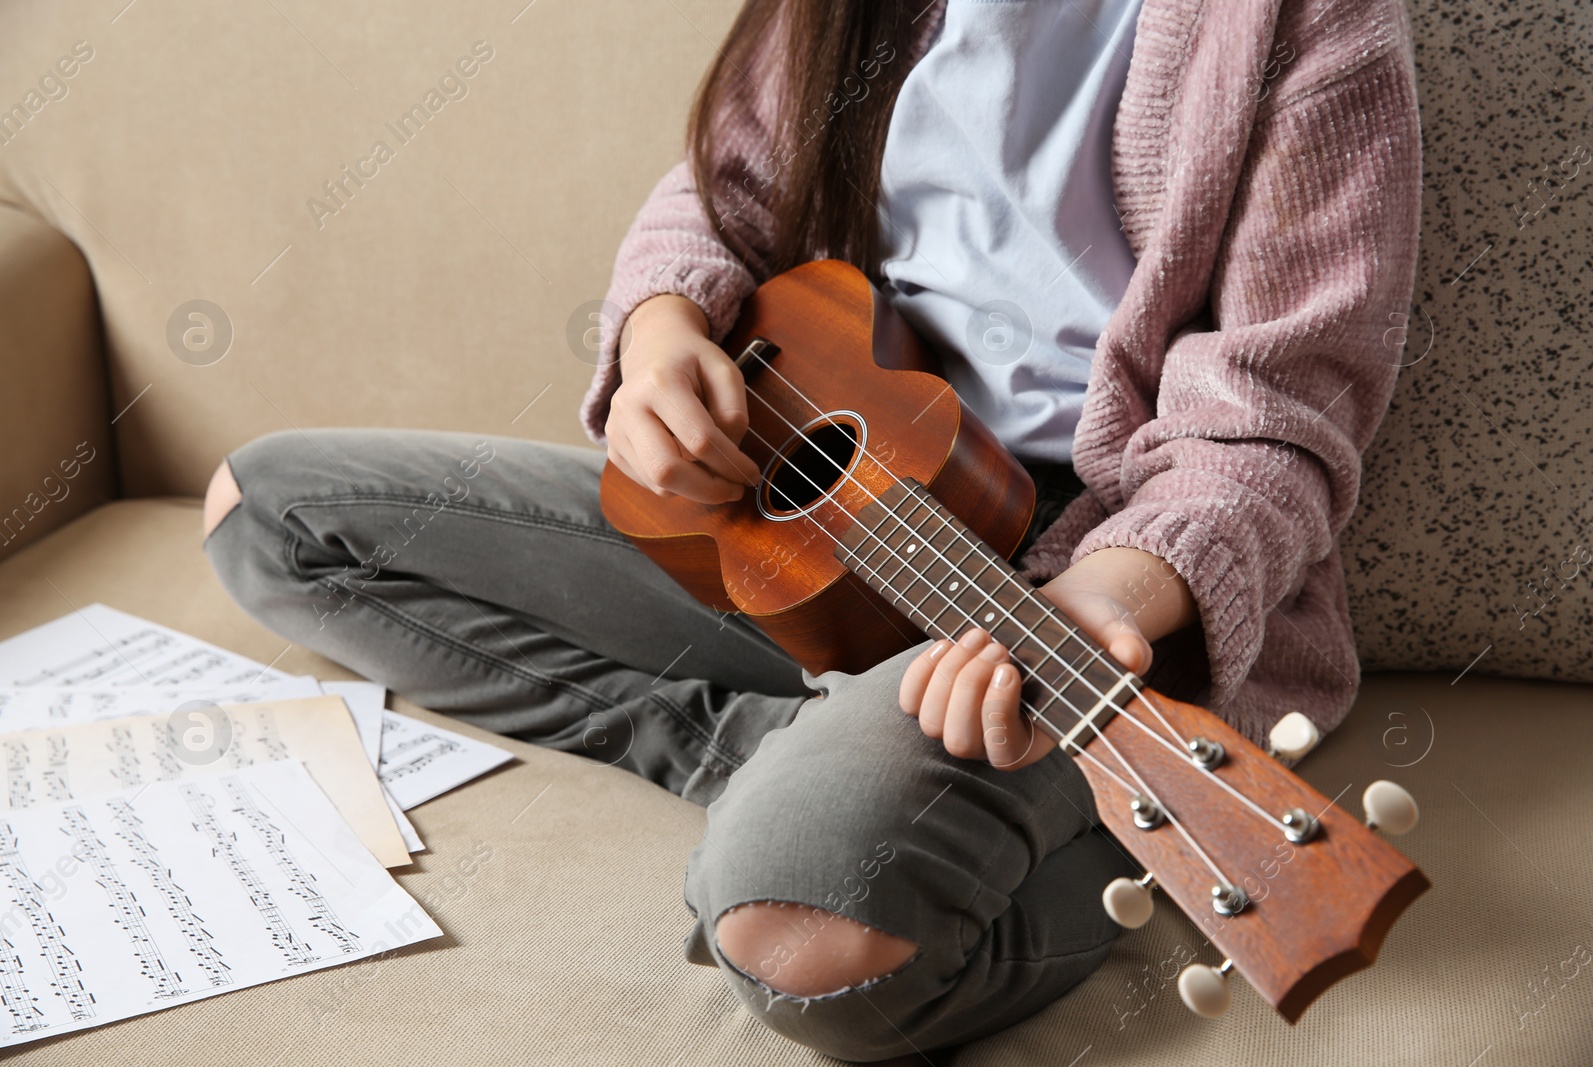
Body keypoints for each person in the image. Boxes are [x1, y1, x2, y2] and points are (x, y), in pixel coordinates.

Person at [201, 0, 1421, 1058]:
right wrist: (659, 336)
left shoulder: (1308, 22)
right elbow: (718, 196)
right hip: (814, 494)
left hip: (1078, 574)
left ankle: (889, 778)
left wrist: (1108, 592)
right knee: (263, 510)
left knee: (806, 946)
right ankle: (748, 741)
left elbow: (1271, 425)